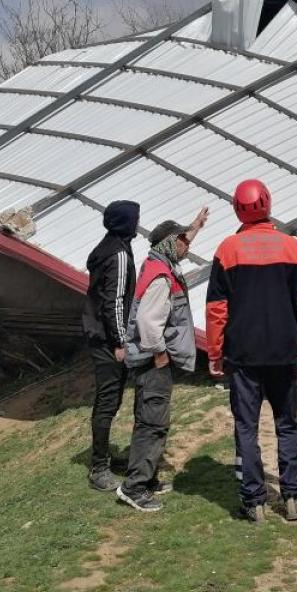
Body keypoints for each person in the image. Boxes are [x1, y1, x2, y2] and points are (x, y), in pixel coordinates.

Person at [205, 179, 297, 523]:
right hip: (284, 352)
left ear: (236, 209)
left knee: (246, 426)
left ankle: (253, 502)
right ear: (268, 203)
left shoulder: (227, 250)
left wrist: (215, 352)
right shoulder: (292, 247)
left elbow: (216, 309)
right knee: (288, 423)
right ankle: (293, 497)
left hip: (242, 355)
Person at [115, 208, 209, 512]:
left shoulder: (157, 262)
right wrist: (159, 353)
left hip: (147, 360)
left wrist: (195, 226)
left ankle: (147, 478)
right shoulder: (160, 277)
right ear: (169, 243)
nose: (187, 244)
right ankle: (134, 487)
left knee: (149, 418)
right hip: (151, 362)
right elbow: (147, 321)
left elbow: (178, 240)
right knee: (153, 423)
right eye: (183, 240)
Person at [82, 200, 141, 492]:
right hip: (107, 340)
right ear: (126, 222)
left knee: (111, 400)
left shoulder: (109, 247)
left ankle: (103, 456)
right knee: (107, 401)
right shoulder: (117, 254)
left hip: (100, 335)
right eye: (135, 219)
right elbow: (114, 302)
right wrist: (120, 342)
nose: (138, 224)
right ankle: (99, 468)